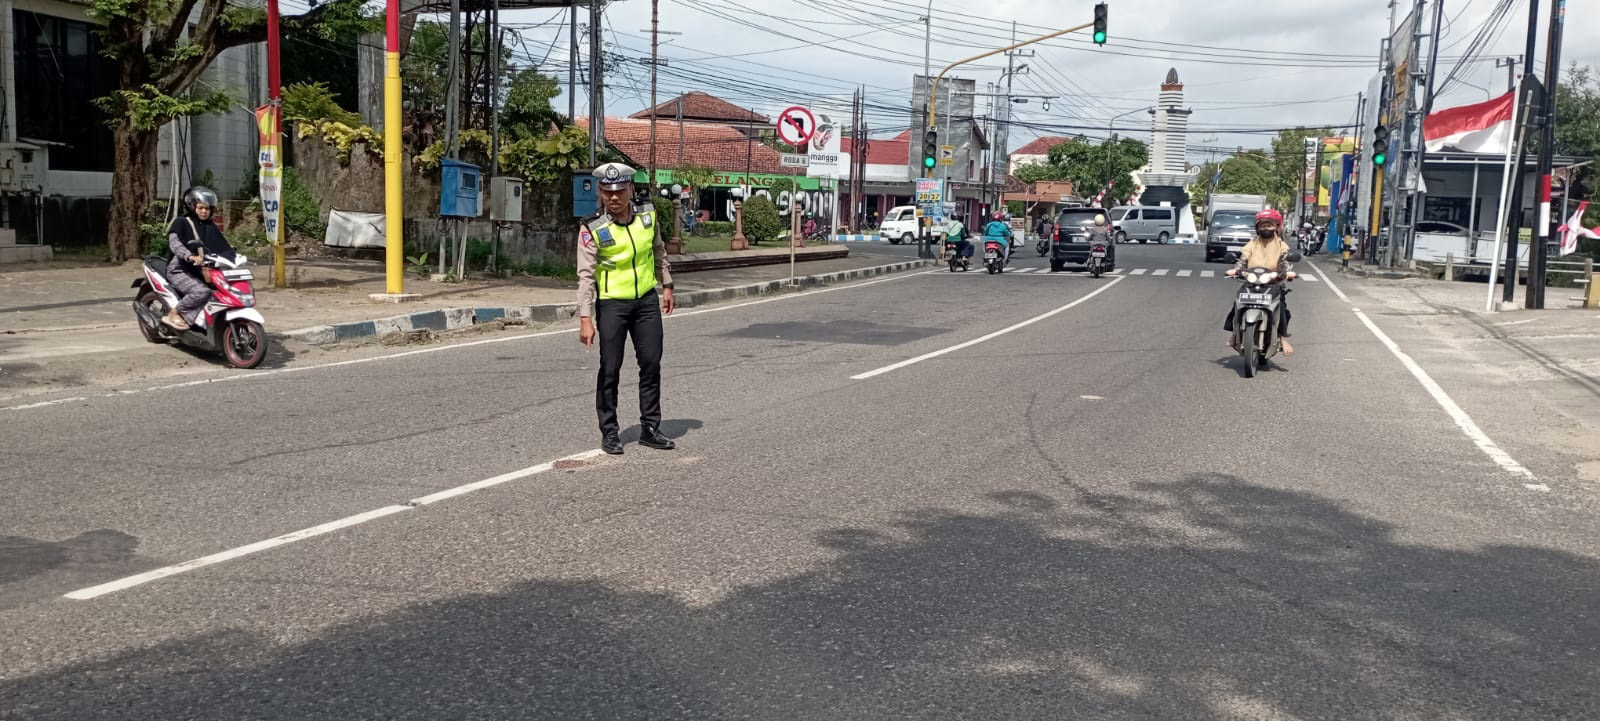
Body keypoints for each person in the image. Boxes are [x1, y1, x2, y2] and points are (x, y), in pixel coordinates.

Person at [576, 162, 676, 455]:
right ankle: (609, 432)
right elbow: (585, 274)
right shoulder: (592, 226)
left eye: (620, 190)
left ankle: (651, 428)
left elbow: (658, 250)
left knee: (651, 362)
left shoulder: (647, 214)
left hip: (645, 301)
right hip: (612, 304)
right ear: (601, 192)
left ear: (631, 188)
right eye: (608, 192)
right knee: (610, 368)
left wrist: (666, 284)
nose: (614, 197)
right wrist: (586, 317)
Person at [1224, 208, 1297, 356]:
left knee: (1282, 308)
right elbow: (1242, 261)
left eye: (1269, 225)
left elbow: (1285, 262)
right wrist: (1235, 270)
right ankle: (1234, 334)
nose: (1266, 229)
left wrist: (1287, 272)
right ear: (1257, 228)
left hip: (1273, 282)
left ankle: (1283, 338)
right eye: (1263, 226)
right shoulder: (1251, 244)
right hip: (1251, 281)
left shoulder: (1282, 246)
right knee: (1237, 303)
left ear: (1276, 227)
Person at [162, 186, 228, 331]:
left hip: (203, 270)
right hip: (180, 269)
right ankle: (175, 313)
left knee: (225, 290)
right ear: (192, 207)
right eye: (201, 208)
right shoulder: (181, 222)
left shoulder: (210, 226)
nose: (204, 211)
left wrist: (234, 258)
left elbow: (223, 247)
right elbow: (175, 244)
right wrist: (189, 256)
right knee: (202, 292)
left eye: (208, 208)